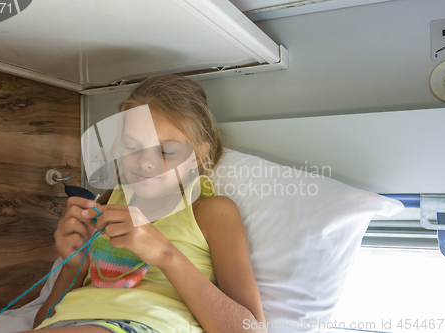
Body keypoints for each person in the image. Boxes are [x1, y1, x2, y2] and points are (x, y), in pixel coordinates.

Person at [23, 74, 266, 333]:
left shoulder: (211, 212)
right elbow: (43, 322)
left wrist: (165, 255)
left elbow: (250, 329)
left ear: (199, 155)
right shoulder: (107, 204)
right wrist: (75, 263)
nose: (145, 162)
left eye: (164, 151)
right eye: (131, 147)